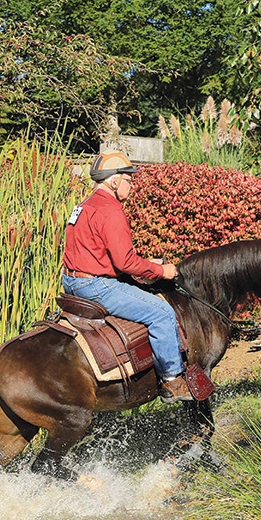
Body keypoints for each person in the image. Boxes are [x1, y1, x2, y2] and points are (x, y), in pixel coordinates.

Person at [60, 150, 192, 403]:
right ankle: (173, 380)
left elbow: (96, 250)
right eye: (129, 180)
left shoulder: (83, 206)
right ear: (113, 181)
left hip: (72, 281)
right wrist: (161, 270)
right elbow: (124, 262)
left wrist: (145, 263)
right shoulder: (112, 210)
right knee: (162, 313)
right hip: (95, 286)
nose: (131, 186)